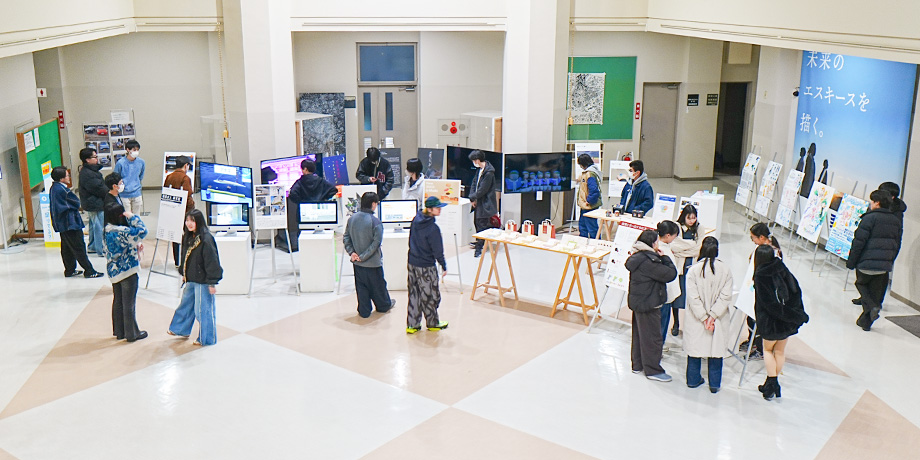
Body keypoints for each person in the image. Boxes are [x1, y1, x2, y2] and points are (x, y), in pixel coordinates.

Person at [753, 244, 808, 400]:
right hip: (787, 321)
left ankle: (772, 383)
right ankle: (771, 383)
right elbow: (795, 290)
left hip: (771, 322)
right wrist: (794, 314)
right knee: (780, 351)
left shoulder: (760, 275)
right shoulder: (781, 267)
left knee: (767, 350)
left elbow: (768, 303)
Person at [625, 229, 677, 382]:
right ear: (653, 244)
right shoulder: (650, 261)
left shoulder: (637, 257)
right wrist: (665, 257)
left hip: (638, 301)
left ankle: (637, 365)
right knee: (653, 338)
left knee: (639, 335)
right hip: (649, 303)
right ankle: (653, 370)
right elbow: (670, 274)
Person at [683, 237, 734, 393]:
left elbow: (693, 298)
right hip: (718, 319)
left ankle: (693, 380)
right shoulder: (725, 270)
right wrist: (712, 316)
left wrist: (704, 318)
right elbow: (726, 296)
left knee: (695, 350)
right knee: (716, 351)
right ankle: (714, 384)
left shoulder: (693, 270)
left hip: (697, 318)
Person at [847, 190, 902, 331]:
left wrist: (851, 261)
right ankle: (865, 323)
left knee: (861, 284)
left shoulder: (869, 218)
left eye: (872, 201)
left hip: (866, 262)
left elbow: (859, 242)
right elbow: (897, 244)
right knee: (875, 293)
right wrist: (889, 261)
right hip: (884, 265)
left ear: (877, 203)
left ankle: (872, 307)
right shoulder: (895, 220)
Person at [168, 209, 223, 346]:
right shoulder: (188, 237)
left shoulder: (206, 239)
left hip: (203, 281)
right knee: (186, 305)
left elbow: (212, 261)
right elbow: (185, 258)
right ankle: (180, 329)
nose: (189, 223)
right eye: (187, 220)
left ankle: (207, 339)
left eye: (192, 220)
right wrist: (184, 273)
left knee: (203, 310)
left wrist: (212, 282)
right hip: (191, 279)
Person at [852, 181, 906, 306]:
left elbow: (897, 235)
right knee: (865, 276)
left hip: (884, 246)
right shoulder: (878, 205)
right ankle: (866, 300)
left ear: (892, 196)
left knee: (879, 277)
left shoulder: (896, 212)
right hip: (874, 245)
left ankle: (874, 304)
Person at [343, 192, 394, 318]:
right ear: (373, 204)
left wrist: (352, 253)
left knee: (361, 288)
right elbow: (376, 244)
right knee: (379, 287)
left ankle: (364, 310)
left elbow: (346, 237)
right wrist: (363, 257)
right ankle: (383, 305)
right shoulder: (375, 222)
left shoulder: (352, 219)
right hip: (373, 264)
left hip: (357, 264)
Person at [103, 203, 148, 342]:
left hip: (113, 271)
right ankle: (132, 333)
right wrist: (132, 217)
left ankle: (120, 331)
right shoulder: (122, 231)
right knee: (129, 303)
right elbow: (143, 230)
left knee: (118, 301)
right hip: (127, 270)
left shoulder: (106, 229)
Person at [49, 166, 104, 278]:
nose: (69, 177)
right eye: (67, 175)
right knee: (78, 247)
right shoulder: (63, 190)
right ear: (61, 178)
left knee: (67, 248)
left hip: (63, 223)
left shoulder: (54, 188)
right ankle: (89, 270)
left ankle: (70, 270)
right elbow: (76, 202)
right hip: (70, 223)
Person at [406, 196, 450, 333]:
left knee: (414, 293)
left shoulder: (415, 220)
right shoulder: (433, 228)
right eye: (437, 208)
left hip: (412, 263)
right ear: (430, 209)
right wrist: (443, 265)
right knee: (430, 295)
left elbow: (410, 239)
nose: (440, 210)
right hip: (426, 266)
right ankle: (432, 323)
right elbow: (438, 250)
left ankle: (412, 324)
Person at [741, 222, 783, 358]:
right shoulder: (760, 247)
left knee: (760, 320)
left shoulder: (772, 252)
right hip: (755, 288)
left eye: (753, 238)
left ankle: (760, 349)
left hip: (766, 292)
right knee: (751, 317)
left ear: (761, 237)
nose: (752, 241)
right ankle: (752, 341)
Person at [665, 205, 704, 337]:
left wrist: (685, 249)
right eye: (689, 218)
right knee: (676, 296)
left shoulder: (700, 228)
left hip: (692, 267)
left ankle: (690, 325)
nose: (692, 221)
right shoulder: (676, 227)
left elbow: (698, 249)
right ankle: (676, 323)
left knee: (692, 298)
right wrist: (691, 245)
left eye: (694, 218)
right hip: (679, 267)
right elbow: (674, 247)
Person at [283, 159, 338, 251]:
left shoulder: (300, 182)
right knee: (321, 233)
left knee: (304, 235)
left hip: (304, 212)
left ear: (305, 169)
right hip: (319, 211)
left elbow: (292, 194)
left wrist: (300, 202)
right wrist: (323, 199)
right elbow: (333, 190)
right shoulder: (320, 180)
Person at [163, 155, 195, 266]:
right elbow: (188, 195)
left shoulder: (169, 177)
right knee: (188, 235)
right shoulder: (185, 178)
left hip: (172, 210)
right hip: (185, 211)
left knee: (175, 236)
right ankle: (187, 259)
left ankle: (177, 261)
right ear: (186, 165)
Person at [655, 220, 682, 343]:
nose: (675, 238)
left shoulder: (664, 247)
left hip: (666, 294)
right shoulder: (661, 251)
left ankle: (659, 345)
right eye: (674, 236)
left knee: (662, 323)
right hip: (664, 294)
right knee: (661, 325)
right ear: (668, 235)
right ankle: (658, 347)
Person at [77, 147, 107, 256]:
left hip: (93, 202)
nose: (96, 159)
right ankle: (101, 249)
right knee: (99, 226)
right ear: (87, 159)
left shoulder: (91, 171)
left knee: (93, 225)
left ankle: (93, 246)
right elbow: (98, 188)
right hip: (94, 203)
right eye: (94, 157)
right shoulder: (88, 174)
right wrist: (109, 193)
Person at [468, 150, 497, 258]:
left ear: (477, 160)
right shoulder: (480, 170)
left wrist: (473, 197)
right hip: (478, 201)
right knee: (477, 222)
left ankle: (479, 248)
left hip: (485, 204)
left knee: (482, 225)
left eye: (474, 161)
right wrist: (472, 197)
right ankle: (479, 242)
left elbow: (483, 190)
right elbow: (474, 183)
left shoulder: (489, 172)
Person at [113, 139, 145, 214]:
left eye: (137, 150)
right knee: (126, 215)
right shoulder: (120, 163)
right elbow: (115, 176)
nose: (136, 152)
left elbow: (141, 175)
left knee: (136, 215)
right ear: (128, 150)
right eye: (134, 150)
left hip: (137, 192)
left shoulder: (141, 162)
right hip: (124, 193)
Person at [576, 153, 603, 238]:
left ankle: (596, 243)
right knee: (583, 226)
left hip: (589, 205)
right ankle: (582, 241)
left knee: (592, 227)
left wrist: (589, 201)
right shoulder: (588, 173)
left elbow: (594, 190)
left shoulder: (590, 174)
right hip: (585, 205)